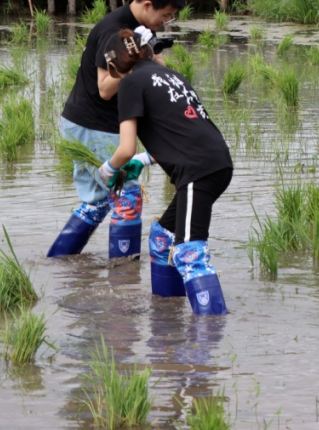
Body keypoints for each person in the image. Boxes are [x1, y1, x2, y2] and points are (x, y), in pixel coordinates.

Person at [48, 0, 186, 260]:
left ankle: (59, 263)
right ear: (147, 4)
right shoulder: (116, 31)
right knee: (128, 198)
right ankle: (123, 278)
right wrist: (136, 60)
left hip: (94, 124)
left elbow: (155, 64)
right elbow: (105, 89)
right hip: (93, 125)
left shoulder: (141, 28)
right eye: (166, 15)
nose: (167, 21)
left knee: (98, 202)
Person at [98, 26, 235, 315]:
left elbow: (125, 148)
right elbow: (178, 134)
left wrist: (108, 170)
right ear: (148, 51)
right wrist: (145, 161)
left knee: (190, 253)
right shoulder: (172, 76)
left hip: (198, 171)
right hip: (214, 162)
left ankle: (210, 337)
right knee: (162, 237)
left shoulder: (131, 84)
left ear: (115, 66)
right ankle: (168, 315)